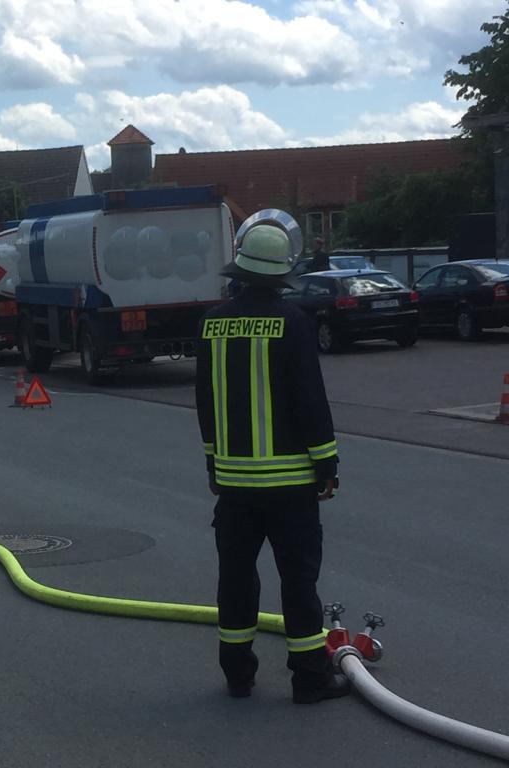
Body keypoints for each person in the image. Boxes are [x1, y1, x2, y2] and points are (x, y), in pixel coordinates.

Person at [195, 211, 347, 705]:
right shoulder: (294, 324)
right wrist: (327, 466)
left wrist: (214, 464)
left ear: (239, 270)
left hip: (235, 487)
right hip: (291, 487)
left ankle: (238, 674)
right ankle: (310, 677)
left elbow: (205, 403)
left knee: (236, 580)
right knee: (298, 581)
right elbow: (311, 402)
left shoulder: (212, 326)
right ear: (282, 274)